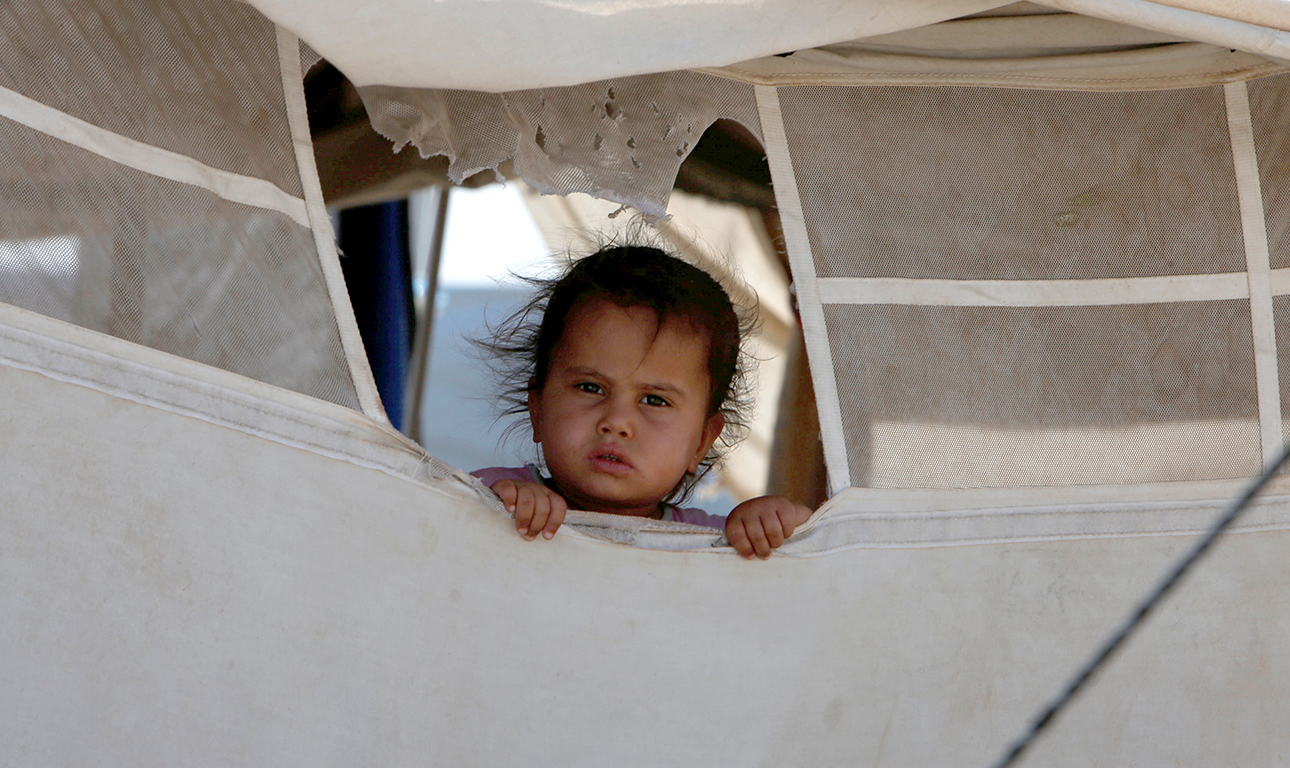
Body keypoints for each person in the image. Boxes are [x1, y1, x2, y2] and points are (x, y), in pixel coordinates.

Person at [473, 244, 812, 559]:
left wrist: (776, 526)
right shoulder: (492, 496)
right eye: (590, 387)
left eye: (654, 400)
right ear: (538, 408)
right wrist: (493, 510)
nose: (617, 422)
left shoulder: (714, 544)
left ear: (701, 441)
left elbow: (822, 548)